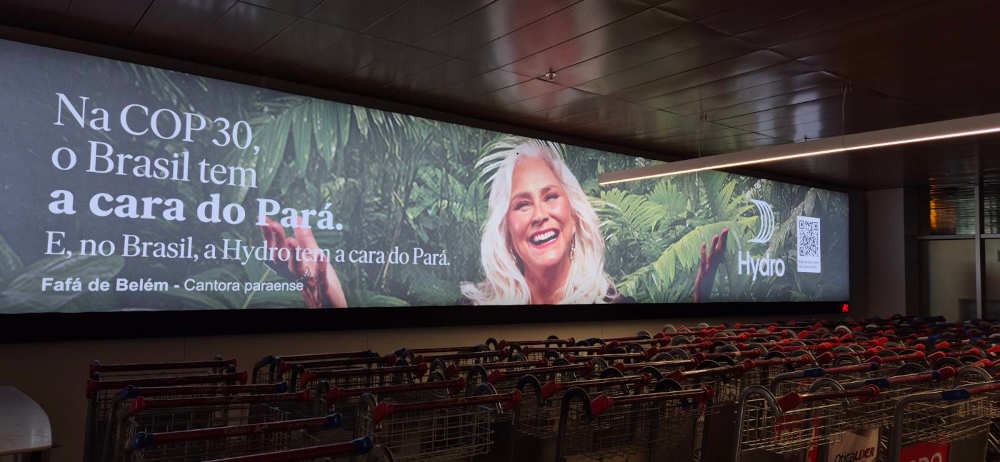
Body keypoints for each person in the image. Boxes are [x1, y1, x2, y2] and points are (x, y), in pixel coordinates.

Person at [261, 135, 728, 307]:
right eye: (521, 204)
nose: (540, 213)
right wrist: (334, 310)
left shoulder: (613, 306)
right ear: (504, 226)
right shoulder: (475, 314)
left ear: (574, 211)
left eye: (550, 196)